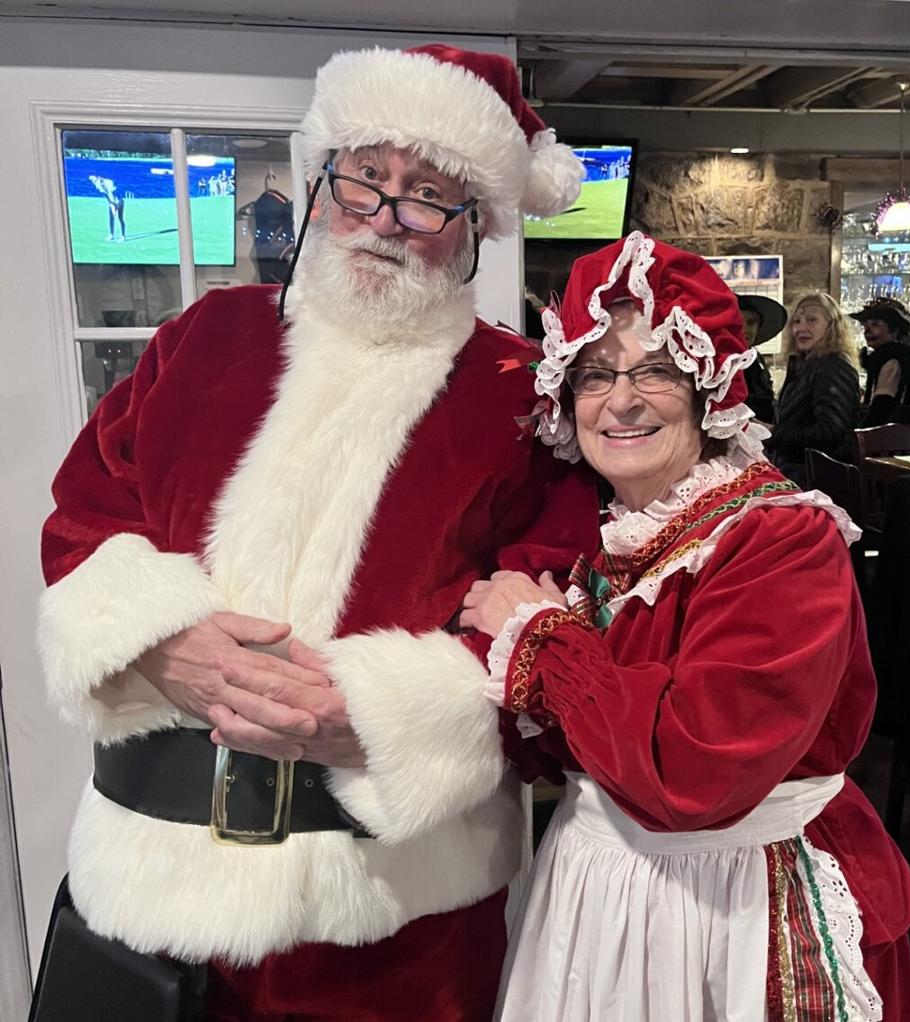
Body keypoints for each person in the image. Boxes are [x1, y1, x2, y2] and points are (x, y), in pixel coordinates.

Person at [36, 44, 597, 1022]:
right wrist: (161, 639)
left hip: (393, 917)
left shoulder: (522, 394)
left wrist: (383, 714)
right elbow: (87, 513)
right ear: (318, 181)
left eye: (427, 193)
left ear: (475, 227)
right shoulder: (205, 336)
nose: (384, 216)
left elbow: (556, 611)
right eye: (364, 178)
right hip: (154, 885)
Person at [459, 232, 910, 1021]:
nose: (622, 399)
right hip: (599, 900)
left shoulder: (782, 539)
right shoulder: (608, 543)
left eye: (656, 370)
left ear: (712, 387)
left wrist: (541, 642)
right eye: (596, 373)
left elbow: (692, 771)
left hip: (734, 912)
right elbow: (566, 752)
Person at [768, 290, 861, 485]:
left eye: (812, 320)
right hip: (799, 476)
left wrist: (773, 433)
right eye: (796, 322)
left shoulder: (832, 366)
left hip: (820, 482)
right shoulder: (804, 365)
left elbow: (829, 433)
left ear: (831, 327)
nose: (800, 328)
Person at [852, 296, 910, 427]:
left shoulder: (893, 360)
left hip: (895, 439)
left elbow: (882, 407)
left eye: (876, 324)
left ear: (894, 331)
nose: (867, 331)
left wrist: (857, 434)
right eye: (866, 326)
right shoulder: (895, 357)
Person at [735, 291, 787, 422]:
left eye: (751, 323)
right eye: (739, 322)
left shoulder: (757, 359)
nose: (745, 328)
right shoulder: (723, 363)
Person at [89, 173, 126, 241]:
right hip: (112, 202)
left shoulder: (110, 183)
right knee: (111, 218)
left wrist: (117, 204)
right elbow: (106, 195)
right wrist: (111, 203)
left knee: (120, 218)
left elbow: (117, 194)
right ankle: (111, 235)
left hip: (119, 201)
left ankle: (123, 236)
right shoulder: (98, 186)